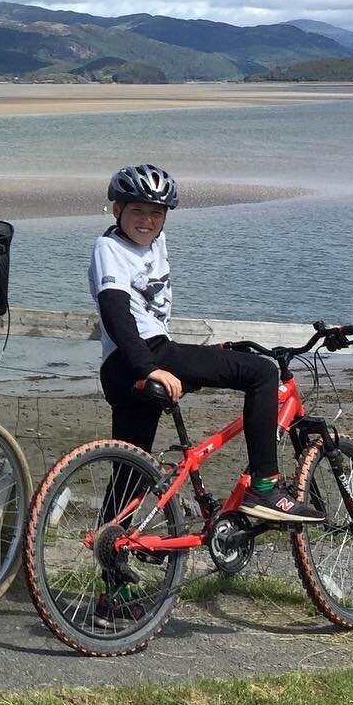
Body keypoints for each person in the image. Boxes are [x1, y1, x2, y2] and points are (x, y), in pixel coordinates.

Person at [90, 162, 321, 530]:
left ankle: (110, 559)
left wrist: (208, 351)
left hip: (131, 362)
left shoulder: (154, 242)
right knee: (262, 373)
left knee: (130, 470)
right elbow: (116, 315)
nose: (147, 220)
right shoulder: (109, 248)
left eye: (156, 212)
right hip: (142, 355)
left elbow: (148, 313)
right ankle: (264, 489)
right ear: (117, 209)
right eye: (136, 210)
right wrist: (150, 367)